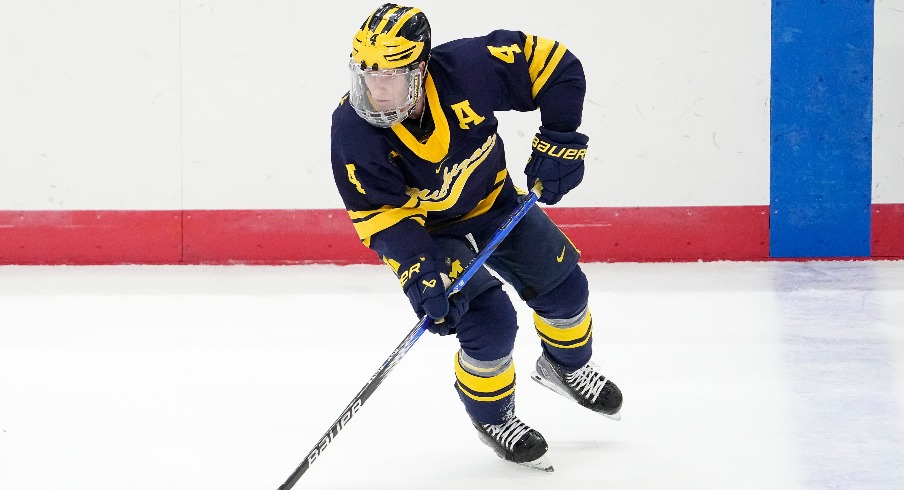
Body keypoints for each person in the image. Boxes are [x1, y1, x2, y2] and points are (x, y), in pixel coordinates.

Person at [330, 3, 622, 469]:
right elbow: (380, 215)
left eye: (389, 75)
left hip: (495, 204)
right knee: (489, 322)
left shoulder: (468, 68)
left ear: (421, 69)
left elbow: (557, 65)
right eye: (366, 73)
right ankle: (494, 417)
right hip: (431, 234)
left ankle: (565, 367)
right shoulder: (352, 128)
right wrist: (419, 272)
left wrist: (562, 138)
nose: (375, 89)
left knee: (567, 290)